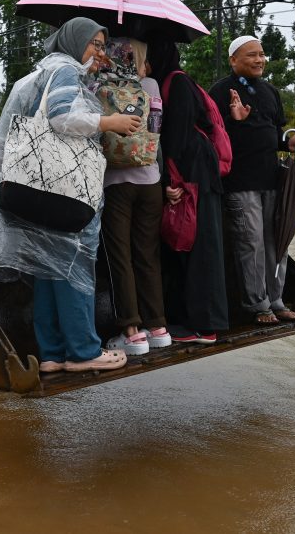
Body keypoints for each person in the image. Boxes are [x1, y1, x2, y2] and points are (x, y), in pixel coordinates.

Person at [0, 17, 140, 373]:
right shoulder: (66, 71)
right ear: (75, 42)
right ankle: (83, 352)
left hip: (37, 183)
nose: (100, 52)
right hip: (66, 184)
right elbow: (61, 117)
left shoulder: (44, 71)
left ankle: (51, 354)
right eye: (95, 44)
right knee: (72, 263)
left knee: (47, 265)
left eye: (103, 46)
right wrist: (109, 122)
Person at [208, 35, 295, 324]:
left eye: (261, 54)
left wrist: (286, 142)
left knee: (278, 242)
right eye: (251, 55)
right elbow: (210, 134)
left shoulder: (271, 92)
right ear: (233, 60)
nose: (259, 60)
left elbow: (272, 132)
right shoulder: (220, 92)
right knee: (251, 243)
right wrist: (232, 121)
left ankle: (276, 301)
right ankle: (257, 305)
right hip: (239, 182)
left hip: (272, 180)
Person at [150, 38, 228, 344]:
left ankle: (204, 327)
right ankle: (194, 320)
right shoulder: (175, 81)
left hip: (193, 170)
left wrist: (172, 180)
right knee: (189, 243)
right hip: (196, 168)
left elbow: (177, 136)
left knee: (200, 247)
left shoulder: (177, 83)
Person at [99, 38, 171, 356]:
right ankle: (158, 328)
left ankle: (131, 332)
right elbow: (156, 132)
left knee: (120, 257)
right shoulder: (151, 84)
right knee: (147, 256)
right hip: (151, 181)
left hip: (116, 182)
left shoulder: (100, 85)